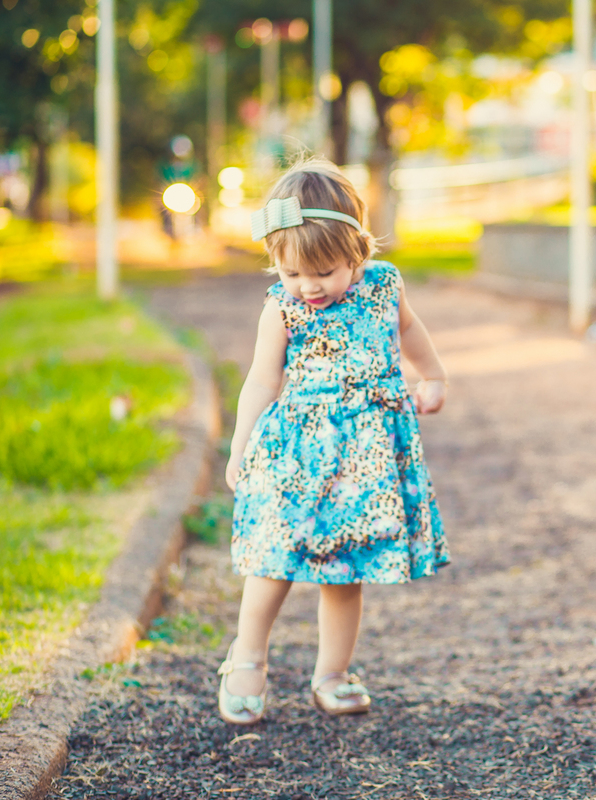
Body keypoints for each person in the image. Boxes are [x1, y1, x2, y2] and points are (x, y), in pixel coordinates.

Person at [218, 157, 451, 724]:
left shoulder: (383, 288)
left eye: (323, 271)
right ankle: (247, 657)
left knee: (345, 568)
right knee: (274, 557)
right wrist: (240, 444)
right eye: (292, 272)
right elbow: (262, 379)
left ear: (358, 252)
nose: (308, 286)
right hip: (296, 454)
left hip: (363, 459)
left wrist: (433, 375)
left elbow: (410, 330)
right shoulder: (282, 308)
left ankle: (333, 671)